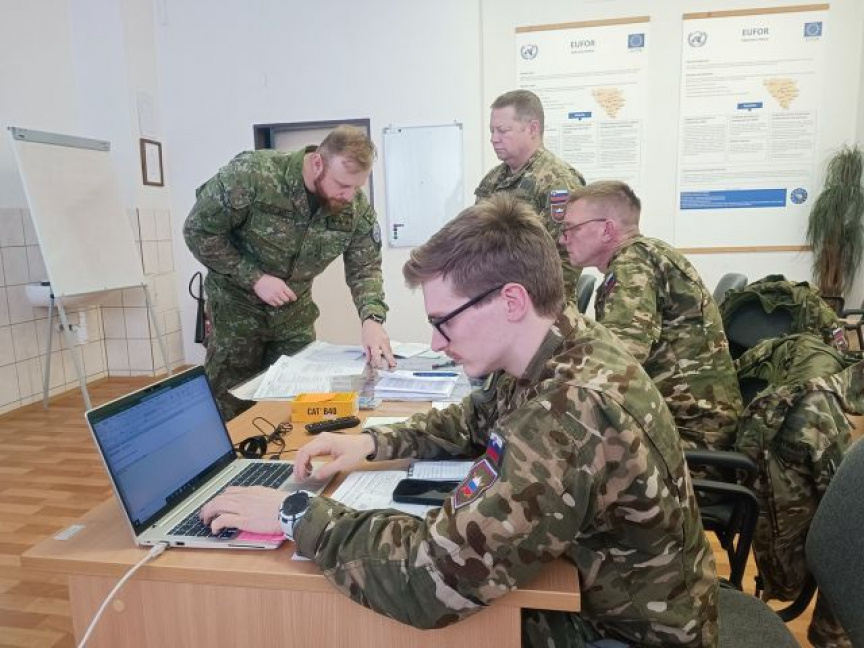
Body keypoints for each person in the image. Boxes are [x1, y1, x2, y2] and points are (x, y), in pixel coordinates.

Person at [201, 194, 718, 647]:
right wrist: (371, 444)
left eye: (443, 322)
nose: (436, 342)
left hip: (618, 632)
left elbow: (429, 580)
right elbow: (476, 418)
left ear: (511, 301)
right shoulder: (561, 341)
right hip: (612, 598)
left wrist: (294, 513)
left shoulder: (566, 412)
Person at [184, 125, 395, 420]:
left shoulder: (355, 209)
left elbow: (366, 268)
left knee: (295, 410)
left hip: (293, 317)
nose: (349, 196)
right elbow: (199, 231)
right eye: (342, 185)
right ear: (318, 163)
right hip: (236, 315)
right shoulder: (252, 175)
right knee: (229, 408)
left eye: (357, 187)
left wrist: (372, 319)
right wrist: (254, 278)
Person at [559, 180, 742, 452]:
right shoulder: (647, 253)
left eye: (571, 228)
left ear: (606, 229)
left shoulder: (633, 263)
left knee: (558, 446)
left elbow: (617, 361)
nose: (563, 239)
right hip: (684, 421)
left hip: (691, 436)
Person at [475, 89, 586, 308]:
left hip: (539, 303)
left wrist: (533, 304)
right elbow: (476, 240)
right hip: (498, 296)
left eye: (503, 130)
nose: (494, 139)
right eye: (492, 131)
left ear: (533, 129)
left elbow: (567, 258)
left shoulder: (558, 181)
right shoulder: (493, 179)